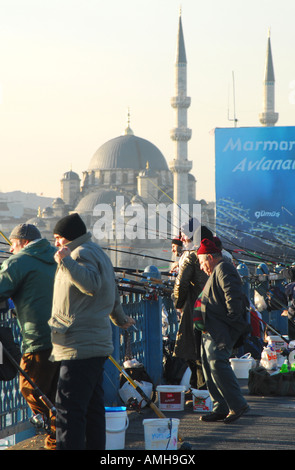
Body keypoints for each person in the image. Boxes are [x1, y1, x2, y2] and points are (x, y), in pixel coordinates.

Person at [48, 213, 135, 450]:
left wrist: (66, 261)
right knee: (92, 408)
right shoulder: (97, 252)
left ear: (69, 237)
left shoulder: (79, 253)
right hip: (93, 342)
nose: (56, 243)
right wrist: (119, 318)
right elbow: (112, 291)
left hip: (79, 344)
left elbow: (92, 284)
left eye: (58, 238)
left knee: (68, 409)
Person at [0, 223, 59, 449]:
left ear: (23, 243)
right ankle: (59, 438)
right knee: (57, 393)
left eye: (13, 245)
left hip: (39, 339)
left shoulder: (18, 262)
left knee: (30, 387)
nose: (12, 250)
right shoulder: (57, 255)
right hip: (68, 338)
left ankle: (55, 439)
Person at [197, 238, 250, 423]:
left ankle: (238, 404)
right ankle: (220, 407)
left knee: (218, 364)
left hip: (221, 329)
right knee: (208, 367)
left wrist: (229, 324)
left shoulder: (224, 268)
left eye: (202, 263)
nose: (202, 267)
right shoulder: (216, 271)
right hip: (211, 329)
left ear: (210, 257)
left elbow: (233, 297)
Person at [173, 226, 213, 390]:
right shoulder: (218, 256)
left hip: (195, 309)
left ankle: (201, 390)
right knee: (208, 352)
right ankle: (199, 389)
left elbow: (181, 283)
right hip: (214, 310)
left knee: (195, 352)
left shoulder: (191, 256)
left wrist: (178, 304)